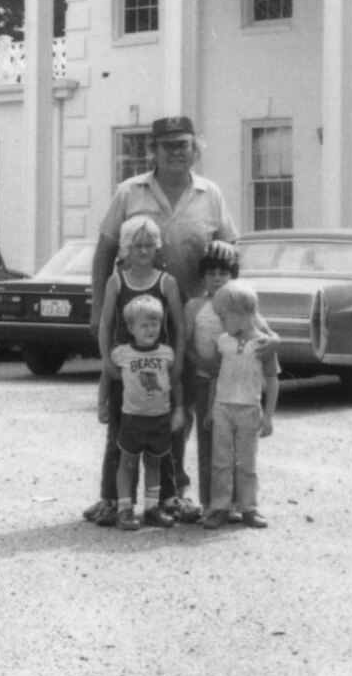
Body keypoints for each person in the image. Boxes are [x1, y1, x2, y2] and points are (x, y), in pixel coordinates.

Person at [86, 117, 240, 524]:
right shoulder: (129, 192)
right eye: (167, 145)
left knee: (181, 407)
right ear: (151, 150)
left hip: (193, 320)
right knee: (127, 406)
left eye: (184, 144)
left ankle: (172, 495)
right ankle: (112, 498)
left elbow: (229, 254)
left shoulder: (212, 195)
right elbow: (103, 252)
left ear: (196, 149)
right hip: (134, 322)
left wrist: (230, 313)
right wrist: (98, 305)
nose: (176, 151)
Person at [83, 213, 191, 526]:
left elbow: (179, 327)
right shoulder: (117, 280)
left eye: (148, 245)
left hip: (159, 369)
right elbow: (105, 324)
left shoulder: (166, 282)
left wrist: (179, 361)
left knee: (164, 437)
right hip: (124, 369)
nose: (143, 251)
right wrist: (106, 361)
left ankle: (164, 500)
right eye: (137, 245)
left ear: (157, 248)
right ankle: (115, 500)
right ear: (126, 249)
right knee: (119, 435)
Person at [199, 279, 279, 530]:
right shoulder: (223, 341)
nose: (222, 323)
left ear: (243, 314)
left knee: (247, 462)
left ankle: (249, 507)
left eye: (224, 317)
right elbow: (215, 375)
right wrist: (211, 408)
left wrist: (268, 416)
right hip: (222, 407)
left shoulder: (263, 344)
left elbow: (273, 380)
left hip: (248, 409)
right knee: (220, 460)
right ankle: (220, 507)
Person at [110, 294, 183, 531]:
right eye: (144, 325)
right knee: (127, 463)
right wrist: (101, 405)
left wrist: (179, 409)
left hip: (159, 417)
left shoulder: (166, 353)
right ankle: (124, 508)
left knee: (154, 463)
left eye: (155, 324)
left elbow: (175, 382)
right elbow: (106, 376)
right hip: (132, 418)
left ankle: (151, 508)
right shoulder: (121, 353)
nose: (150, 329)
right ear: (131, 327)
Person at [184, 239, 240, 510]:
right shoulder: (194, 306)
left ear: (233, 276)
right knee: (207, 444)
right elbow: (186, 344)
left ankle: (238, 502)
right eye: (211, 273)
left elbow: (258, 333)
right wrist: (203, 364)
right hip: (204, 382)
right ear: (203, 276)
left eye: (223, 273)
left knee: (235, 445)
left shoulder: (240, 304)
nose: (217, 279)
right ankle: (210, 504)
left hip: (235, 385)